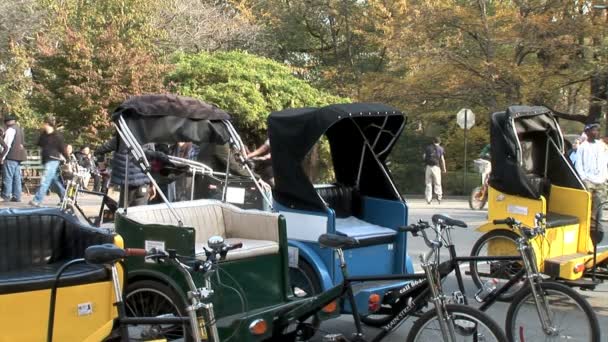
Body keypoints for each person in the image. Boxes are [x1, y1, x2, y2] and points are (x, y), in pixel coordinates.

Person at [95, 136, 155, 207]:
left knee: (123, 213)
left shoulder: (121, 138)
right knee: (139, 214)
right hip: (143, 184)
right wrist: (153, 184)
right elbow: (152, 162)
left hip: (124, 183)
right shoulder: (148, 138)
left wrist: (103, 169)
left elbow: (99, 151)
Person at [574, 123, 607, 239]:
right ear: (587, 132)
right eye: (593, 130)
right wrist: (584, 178)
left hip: (600, 180)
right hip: (588, 180)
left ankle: (596, 230)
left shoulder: (601, 146)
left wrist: (604, 176)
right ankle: (586, 229)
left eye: (597, 130)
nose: (595, 132)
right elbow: (579, 164)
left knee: (598, 206)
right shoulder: (583, 147)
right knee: (587, 205)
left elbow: (605, 161)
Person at [29, 117, 67, 207]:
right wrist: (40, 133)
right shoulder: (44, 135)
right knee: (53, 182)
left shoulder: (57, 136)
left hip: (53, 159)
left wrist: (67, 158)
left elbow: (63, 149)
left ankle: (37, 200)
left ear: (49, 125)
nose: (43, 126)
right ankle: (65, 197)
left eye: (44, 124)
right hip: (45, 160)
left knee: (45, 180)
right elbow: (38, 143)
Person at [2, 116, 27, 202]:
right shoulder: (19, 129)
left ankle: (6, 196)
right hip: (19, 157)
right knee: (17, 177)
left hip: (11, 156)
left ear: (7, 122)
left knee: (8, 177)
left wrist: (2, 157)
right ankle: (17, 196)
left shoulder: (10, 130)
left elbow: (7, 145)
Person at [423, 137, 447, 205]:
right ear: (439, 142)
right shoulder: (440, 148)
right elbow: (442, 159)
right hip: (436, 167)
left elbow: (424, 156)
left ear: (433, 141)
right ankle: (439, 197)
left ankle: (428, 199)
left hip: (428, 167)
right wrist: (444, 169)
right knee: (437, 182)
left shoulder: (428, 148)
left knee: (428, 183)